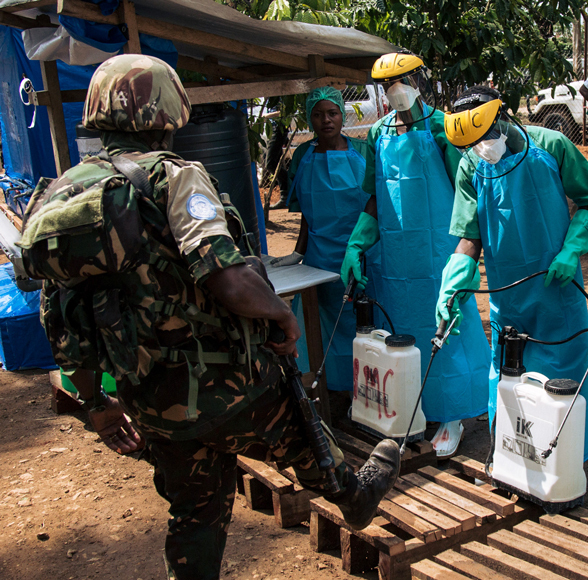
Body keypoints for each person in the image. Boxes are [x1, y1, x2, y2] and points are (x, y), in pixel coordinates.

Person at [28, 55, 400, 580]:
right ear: (167, 111)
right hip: (226, 386)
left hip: (148, 397)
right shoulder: (173, 178)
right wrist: (283, 317)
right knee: (298, 426)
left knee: (195, 512)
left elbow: (65, 319)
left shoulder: (62, 195)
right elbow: (227, 278)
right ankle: (352, 496)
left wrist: (95, 405)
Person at [438, 86, 588, 460]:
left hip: (557, 286)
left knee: (563, 371)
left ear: (501, 117)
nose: (481, 146)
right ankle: (512, 454)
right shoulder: (470, 165)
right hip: (506, 294)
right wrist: (455, 277)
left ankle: (569, 455)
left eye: (484, 135)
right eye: (472, 142)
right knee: (508, 373)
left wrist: (571, 249)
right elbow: (470, 235)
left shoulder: (551, 145)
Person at [341, 52, 491, 457]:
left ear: (418, 80)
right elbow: (375, 195)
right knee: (402, 333)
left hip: (440, 252)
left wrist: (469, 252)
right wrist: (356, 243)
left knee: (447, 331)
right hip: (396, 258)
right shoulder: (378, 133)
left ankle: (453, 414)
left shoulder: (443, 127)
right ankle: (408, 408)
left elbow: (466, 190)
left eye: (403, 81)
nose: (396, 90)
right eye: (388, 84)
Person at [269, 86, 379, 396]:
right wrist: (298, 252)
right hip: (319, 256)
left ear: (342, 115)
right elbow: (306, 211)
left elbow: (376, 202)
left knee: (364, 319)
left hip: (363, 255)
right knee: (323, 323)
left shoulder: (363, 150)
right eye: (317, 115)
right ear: (309, 119)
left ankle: (368, 389)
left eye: (332, 113)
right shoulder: (303, 155)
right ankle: (332, 388)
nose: (326, 120)